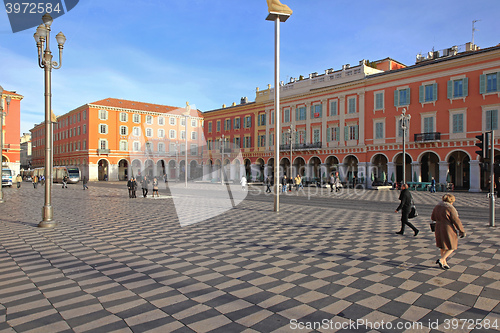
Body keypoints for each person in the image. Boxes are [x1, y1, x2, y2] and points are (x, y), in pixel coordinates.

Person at [431, 194, 466, 269]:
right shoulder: (450, 208)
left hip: (438, 227)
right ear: (451, 201)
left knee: (442, 245)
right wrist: (461, 230)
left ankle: (444, 262)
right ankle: (442, 259)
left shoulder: (437, 206)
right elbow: (456, 220)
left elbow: (433, 217)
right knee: (452, 246)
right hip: (447, 227)